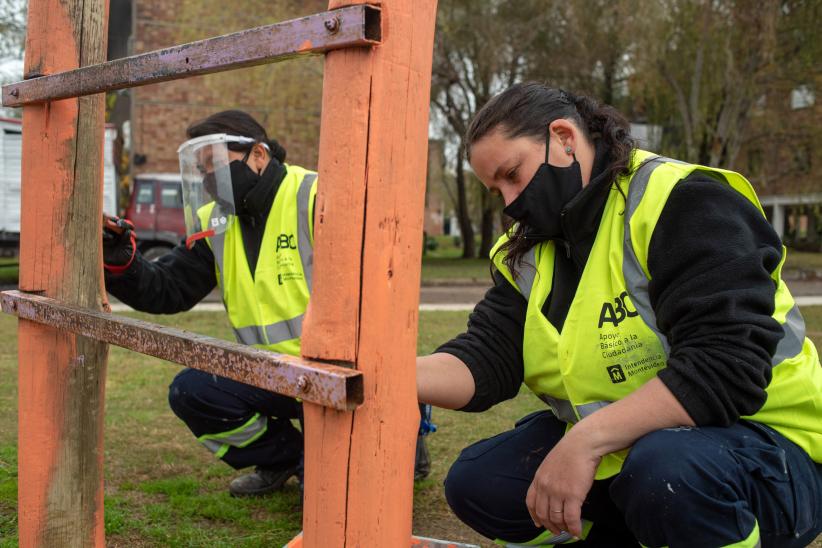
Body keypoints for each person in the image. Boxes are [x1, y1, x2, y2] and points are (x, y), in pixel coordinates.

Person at [416, 83, 822, 547]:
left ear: (564, 138)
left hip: (769, 451)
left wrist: (584, 441)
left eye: (513, 174)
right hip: (640, 450)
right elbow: (485, 357)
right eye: (496, 190)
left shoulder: (683, 200)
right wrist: (391, 377)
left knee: (668, 471)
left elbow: (724, 368)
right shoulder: (531, 249)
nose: (510, 202)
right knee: (481, 480)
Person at [104, 110, 431, 497]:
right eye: (203, 171)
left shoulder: (317, 197)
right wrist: (121, 261)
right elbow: (167, 288)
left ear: (258, 155)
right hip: (270, 374)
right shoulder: (216, 222)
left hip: (342, 371)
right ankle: (286, 457)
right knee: (191, 392)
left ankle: (407, 425)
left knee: (337, 495)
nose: (210, 181)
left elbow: (381, 287)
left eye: (217, 167)